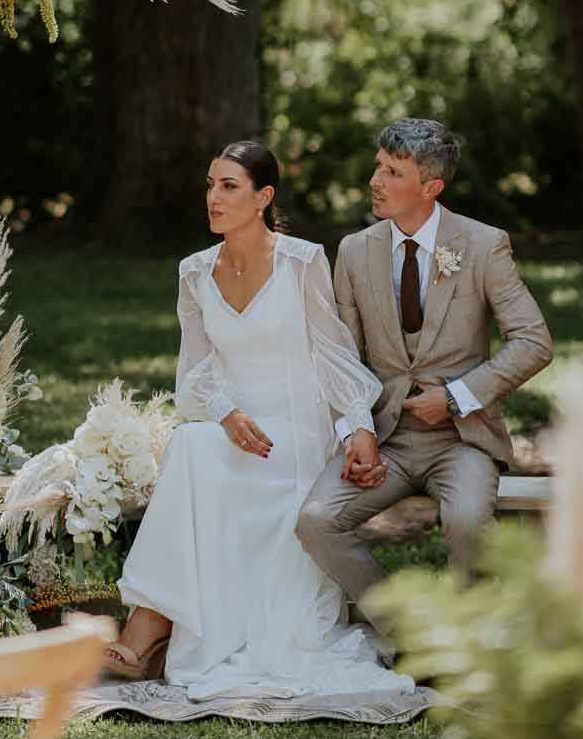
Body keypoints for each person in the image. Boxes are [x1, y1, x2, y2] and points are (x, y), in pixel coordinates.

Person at [105, 139, 411, 699]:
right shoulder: (195, 273)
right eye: (209, 185)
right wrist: (225, 414)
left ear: (263, 197)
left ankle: (150, 628)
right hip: (235, 427)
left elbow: (334, 353)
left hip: (293, 434)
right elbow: (195, 372)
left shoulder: (302, 261)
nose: (213, 198)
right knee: (191, 449)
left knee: (197, 455)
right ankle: (151, 621)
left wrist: (358, 426)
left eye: (229, 186)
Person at [295, 117, 553, 653]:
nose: (375, 180)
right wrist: (355, 431)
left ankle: (469, 641)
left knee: (465, 523)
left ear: (431, 187)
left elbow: (534, 341)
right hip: (384, 438)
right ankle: (412, 635)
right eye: (378, 166)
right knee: (316, 520)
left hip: (461, 441)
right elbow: (342, 356)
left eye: (392, 172)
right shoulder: (355, 250)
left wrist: (457, 397)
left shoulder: (483, 245)